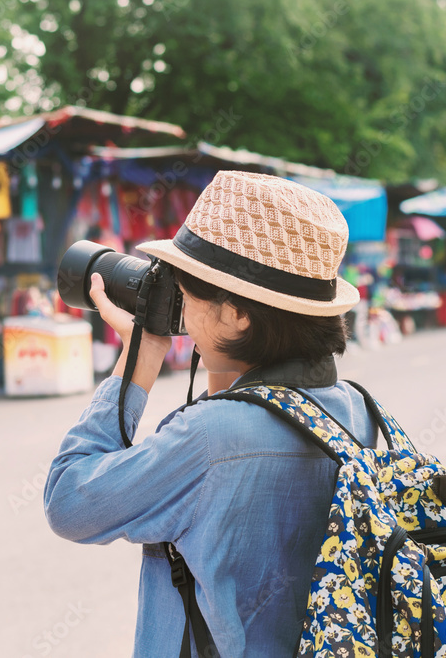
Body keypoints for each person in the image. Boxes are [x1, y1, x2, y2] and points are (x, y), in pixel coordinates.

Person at [44, 171, 379, 656]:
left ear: (238, 314)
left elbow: (70, 503)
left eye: (188, 290)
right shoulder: (359, 411)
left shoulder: (211, 441)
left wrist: (138, 358)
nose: (179, 303)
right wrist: (221, 353)